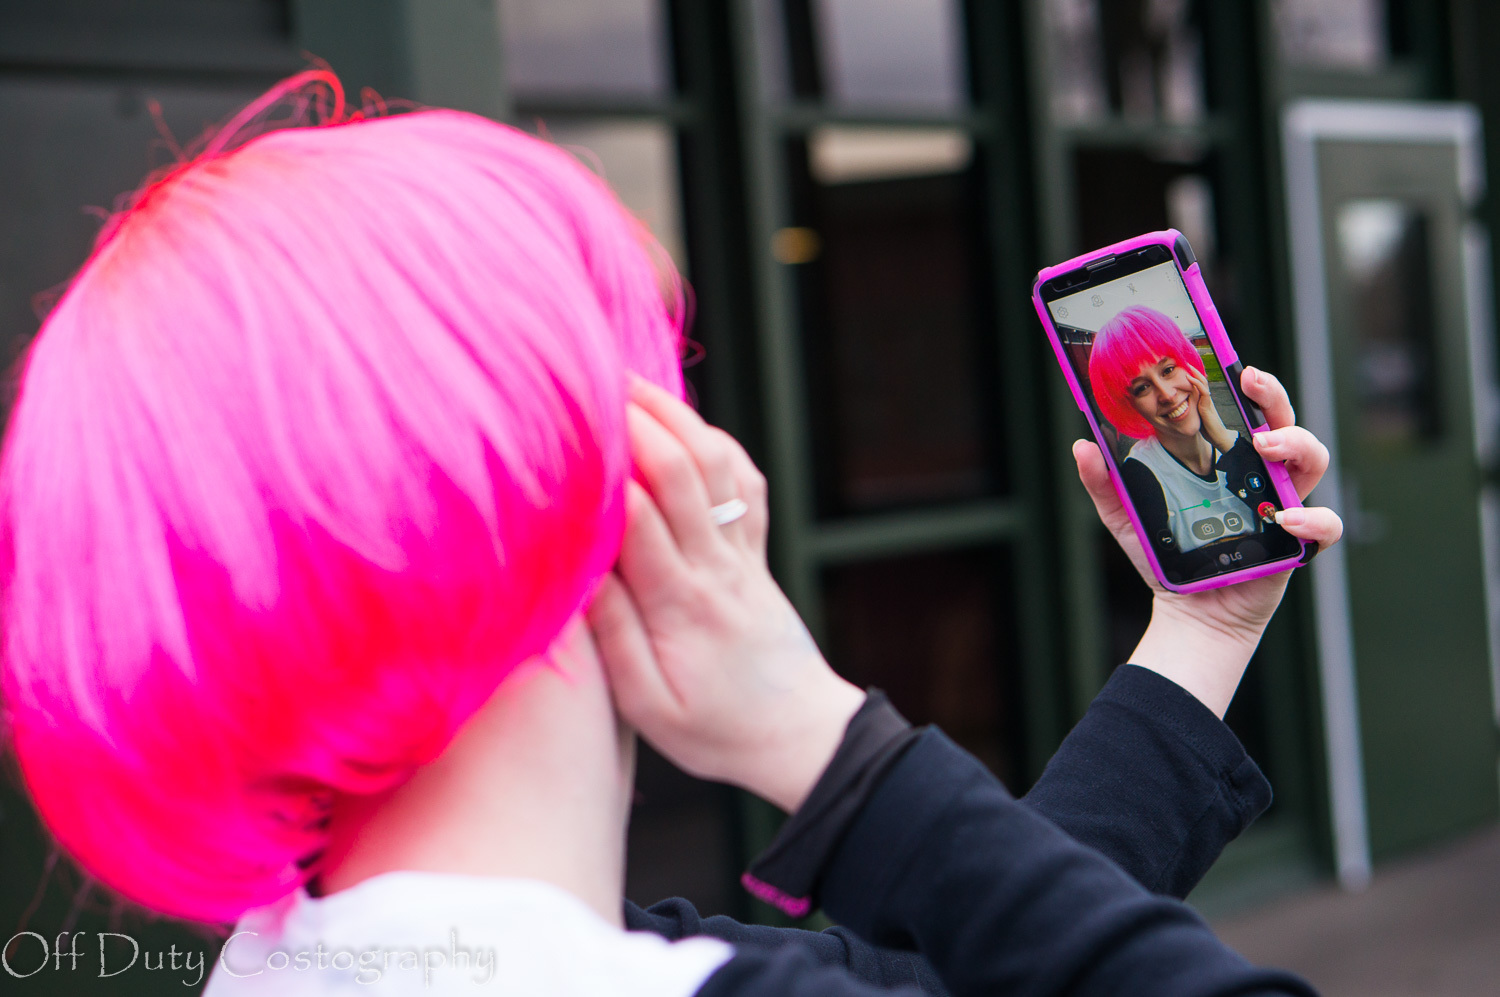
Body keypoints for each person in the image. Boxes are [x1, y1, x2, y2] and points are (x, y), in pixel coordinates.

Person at [0, 73, 1343, 996]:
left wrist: (1198, 632)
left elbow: (954, 967)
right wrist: (828, 743)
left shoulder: (313, 953)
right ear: (616, 478)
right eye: (655, 391)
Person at [1087, 305, 1266, 557]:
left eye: (1168, 370)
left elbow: (1278, 516)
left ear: (1188, 363)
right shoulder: (1140, 474)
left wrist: (1226, 442)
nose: (1167, 395)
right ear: (1130, 405)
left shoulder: (1234, 446)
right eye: (1142, 388)